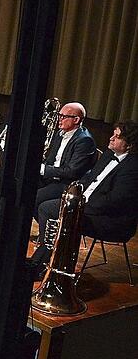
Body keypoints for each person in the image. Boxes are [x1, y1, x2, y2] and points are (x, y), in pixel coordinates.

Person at [31, 122, 138, 276]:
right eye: (113, 134)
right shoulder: (109, 154)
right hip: (86, 204)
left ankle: (51, 263)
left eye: (117, 136)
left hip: (109, 219)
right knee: (46, 207)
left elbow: (115, 201)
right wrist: (76, 191)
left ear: (129, 145)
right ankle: (45, 259)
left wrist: (82, 205)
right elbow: (90, 178)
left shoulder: (132, 168)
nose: (111, 138)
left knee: (54, 212)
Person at [36, 101, 96, 210]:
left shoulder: (84, 141)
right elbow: (51, 160)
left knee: (34, 198)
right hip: (53, 178)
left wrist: (44, 170)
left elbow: (72, 172)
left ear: (76, 120)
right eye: (59, 115)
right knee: (22, 186)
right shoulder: (60, 134)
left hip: (66, 184)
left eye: (64, 116)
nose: (60, 119)